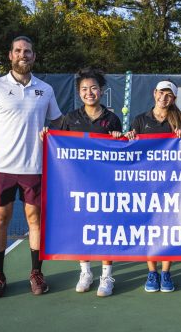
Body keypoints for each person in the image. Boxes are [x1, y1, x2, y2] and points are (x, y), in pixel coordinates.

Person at [0, 36, 63, 299]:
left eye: (28, 51)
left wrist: (51, 135)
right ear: (10, 55)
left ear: (34, 56)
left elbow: (57, 123)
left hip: (35, 168)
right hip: (1, 169)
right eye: (18, 51)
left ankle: (36, 273)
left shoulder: (45, 89)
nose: (23, 55)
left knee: (35, 221)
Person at [54, 67, 122, 297]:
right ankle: (85, 271)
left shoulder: (112, 119)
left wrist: (118, 138)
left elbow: (119, 152)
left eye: (93, 88)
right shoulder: (70, 118)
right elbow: (58, 149)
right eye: (84, 89)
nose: (89, 92)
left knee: (106, 229)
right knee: (82, 228)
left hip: (105, 184)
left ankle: (106, 275)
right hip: (77, 185)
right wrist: (47, 137)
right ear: (79, 93)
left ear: (101, 91)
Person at [124, 80, 181, 293]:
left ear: (174, 99)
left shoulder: (180, 119)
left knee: (169, 228)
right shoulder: (141, 119)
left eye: (169, 95)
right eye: (161, 93)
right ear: (154, 93)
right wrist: (130, 137)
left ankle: (166, 272)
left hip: (172, 184)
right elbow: (132, 150)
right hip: (147, 184)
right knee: (149, 229)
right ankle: (152, 272)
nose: (164, 97)